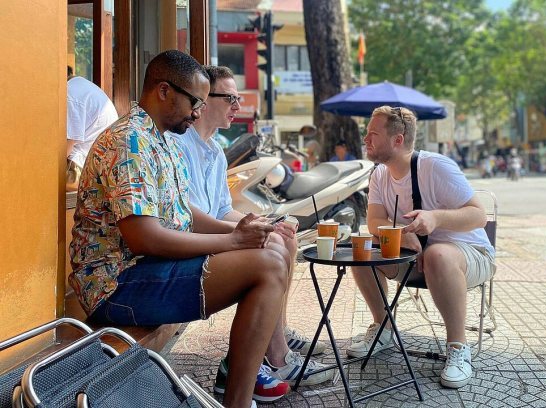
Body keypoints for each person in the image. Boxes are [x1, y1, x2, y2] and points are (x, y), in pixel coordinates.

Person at [69, 50, 285, 408]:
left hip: (144, 271)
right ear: (164, 91)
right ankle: (239, 400)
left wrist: (241, 231)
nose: (198, 112)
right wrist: (231, 240)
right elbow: (145, 237)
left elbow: (182, 211)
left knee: (272, 250)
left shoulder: (164, 139)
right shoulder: (129, 141)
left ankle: (240, 387)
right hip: (114, 284)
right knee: (268, 264)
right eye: (194, 102)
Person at [170, 66, 332, 401]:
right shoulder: (176, 142)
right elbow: (187, 215)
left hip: (209, 236)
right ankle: (271, 356)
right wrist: (244, 230)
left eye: (238, 98)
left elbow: (221, 209)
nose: (236, 106)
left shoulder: (214, 150)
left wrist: (261, 220)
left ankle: (274, 347)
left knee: (283, 235)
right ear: (202, 99)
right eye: (229, 97)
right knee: (271, 247)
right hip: (191, 244)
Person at [348, 106, 495, 389]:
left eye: (373, 134)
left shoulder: (435, 166)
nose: (366, 139)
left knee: (439, 254)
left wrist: (435, 217)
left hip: (468, 255)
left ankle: (457, 347)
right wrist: (402, 236)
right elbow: (375, 221)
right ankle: (383, 328)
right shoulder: (379, 175)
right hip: (413, 258)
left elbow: (479, 215)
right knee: (363, 247)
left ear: (398, 140)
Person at [66, 66, 119, 191]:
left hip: (81, 170)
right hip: (102, 169)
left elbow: (65, 147)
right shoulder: (80, 85)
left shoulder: (69, 94)